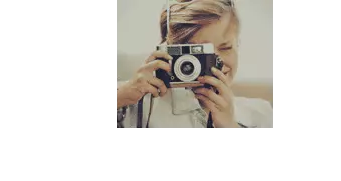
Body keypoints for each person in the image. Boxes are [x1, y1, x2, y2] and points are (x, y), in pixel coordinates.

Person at [116, 0, 273, 129]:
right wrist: (121, 97)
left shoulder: (261, 114)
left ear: (238, 45)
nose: (215, 63)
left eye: (225, 48)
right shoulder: (132, 105)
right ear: (168, 51)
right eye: (199, 54)